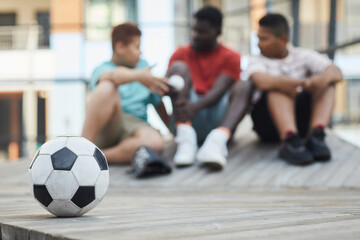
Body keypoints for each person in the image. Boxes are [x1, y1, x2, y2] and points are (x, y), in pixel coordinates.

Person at [248, 13, 343, 165]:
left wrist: (319, 80)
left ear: (283, 39)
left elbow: (336, 72)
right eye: (258, 38)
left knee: (327, 84)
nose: (259, 44)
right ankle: (289, 141)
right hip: (268, 124)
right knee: (277, 87)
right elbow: (261, 81)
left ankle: (316, 136)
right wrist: (299, 84)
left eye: (263, 39)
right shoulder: (256, 60)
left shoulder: (303, 55)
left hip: (303, 124)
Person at [167, 6, 253, 169]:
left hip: (216, 117)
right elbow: (166, 91)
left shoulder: (231, 56)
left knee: (245, 85)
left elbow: (220, 89)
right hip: (185, 117)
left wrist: (196, 107)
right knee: (178, 67)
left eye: (202, 32)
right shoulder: (179, 54)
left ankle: (217, 141)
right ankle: (185, 139)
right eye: (194, 30)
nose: (195, 36)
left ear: (218, 32)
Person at [82, 23, 170, 164]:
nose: (140, 52)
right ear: (120, 47)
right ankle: (82, 148)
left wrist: (174, 130)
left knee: (154, 142)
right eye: (137, 47)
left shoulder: (143, 66)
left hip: (137, 124)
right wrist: (139, 76)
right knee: (107, 87)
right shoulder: (102, 69)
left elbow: (158, 104)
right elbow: (113, 76)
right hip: (111, 122)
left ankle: (91, 158)